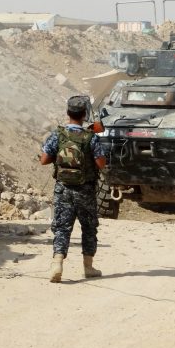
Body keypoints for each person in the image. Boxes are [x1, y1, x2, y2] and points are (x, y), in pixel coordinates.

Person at [40, 95, 106, 283]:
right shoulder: (90, 137)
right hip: (85, 190)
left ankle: (57, 264)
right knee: (88, 227)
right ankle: (88, 267)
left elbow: (44, 160)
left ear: (68, 113)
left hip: (63, 189)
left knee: (62, 227)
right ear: (84, 114)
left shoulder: (58, 135)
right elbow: (101, 163)